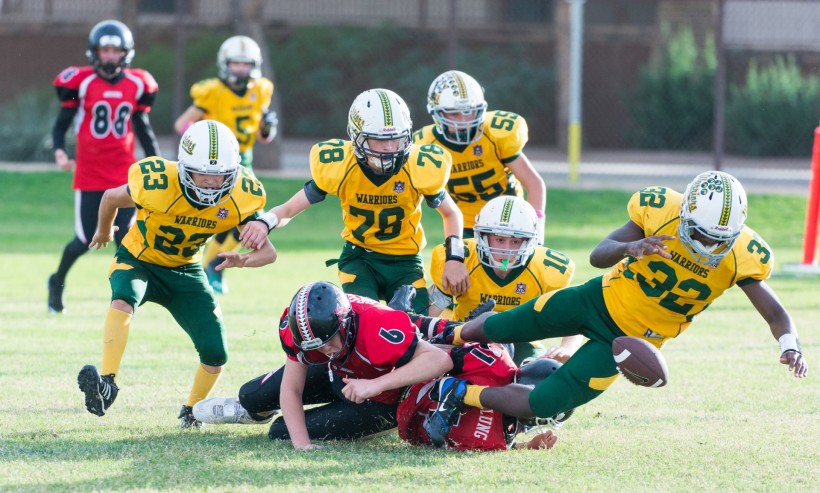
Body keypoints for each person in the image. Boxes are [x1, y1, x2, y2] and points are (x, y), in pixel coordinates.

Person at [422, 171, 809, 446]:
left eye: (719, 239)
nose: (708, 245)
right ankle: (437, 333)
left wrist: (789, 344)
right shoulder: (660, 210)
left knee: (545, 404)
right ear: (686, 212)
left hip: (627, 343)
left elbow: (775, 313)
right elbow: (597, 254)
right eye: (702, 233)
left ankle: (455, 390)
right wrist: (630, 247)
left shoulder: (744, 254)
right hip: (595, 301)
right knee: (504, 325)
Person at [76, 120, 277, 429]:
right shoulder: (158, 183)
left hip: (186, 270)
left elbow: (269, 253)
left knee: (216, 352)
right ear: (184, 168)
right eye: (203, 175)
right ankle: (107, 384)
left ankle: (192, 412)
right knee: (124, 299)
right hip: (139, 260)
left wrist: (243, 260)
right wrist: (103, 231)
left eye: (220, 176)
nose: (211, 184)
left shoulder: (240, 196)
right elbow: (110, 197)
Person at [240, 88, 469, 314]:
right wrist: (266, 222)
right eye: (379, 141)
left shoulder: (419, 166)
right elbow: (289, 208)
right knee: (363, 323)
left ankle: (438, 300)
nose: (389, 148)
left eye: (396, 139)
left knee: (415, 329)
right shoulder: (341, 166)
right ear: (357, 137)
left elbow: (452, 213)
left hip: (405, 262)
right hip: (360, 258)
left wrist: (455, 258)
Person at [192, 281, 453, 450]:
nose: (321, 349)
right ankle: (251, 412)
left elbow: (440, 360)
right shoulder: (308, 336)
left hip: (379, 401)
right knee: (250, 395)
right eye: (312, 346)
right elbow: (292, 387)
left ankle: (376, 429)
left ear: (344, 323)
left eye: (326, 341)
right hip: (338, 373)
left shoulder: (375, 324)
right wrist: (302, 444)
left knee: (280, 431)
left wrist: (375, 385)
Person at [48, 19, 160, 314]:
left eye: (115, 50)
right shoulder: (80, 83)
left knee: (125, 238)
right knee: (86, 239)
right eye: (104, 49)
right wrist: (60, 152)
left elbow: (143, 127)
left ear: (125, 53)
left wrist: (157, 164)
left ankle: (125, 297)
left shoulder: (137, 84)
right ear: (94, 52)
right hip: (90, 173)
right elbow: (60, 125)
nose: (109, 56)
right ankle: (56, 282)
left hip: (124, 172)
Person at [174, 35, 277, 295]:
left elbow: (263, 137)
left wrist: (268, 127)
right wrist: (199, 141)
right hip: (214, 165)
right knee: (232, 218)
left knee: (245, 219)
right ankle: (210, 265)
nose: (241, 69)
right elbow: (181, 124)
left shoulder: (260, 89)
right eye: (236, 63)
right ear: (225, 63)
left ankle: (213, 265)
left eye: (246, 64)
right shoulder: (212, 91)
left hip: (245, 163)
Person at [425, 195, 582, 365]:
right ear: (483, 235)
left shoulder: (545, 270)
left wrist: (566, 349)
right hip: (466, 337)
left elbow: (574, 317)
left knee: (543, 370)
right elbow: (426, 316)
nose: (506, 250)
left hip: (522, 344)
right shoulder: (462, 261)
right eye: (499, 239)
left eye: (515, 241)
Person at [413, 70, 546, 242]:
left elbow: (535, 184)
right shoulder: (425, 145)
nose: (463, 120)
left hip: (511, 222)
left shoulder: (495, 133)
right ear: (437, 113)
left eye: (469, 111)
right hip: (465, 227)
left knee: (509, 268)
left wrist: (535, 232)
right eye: (454, 113)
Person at [399, 345, 572, 451]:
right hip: (399, 418)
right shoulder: (498, 440)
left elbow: (438, 351)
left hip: (405, 376)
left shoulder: (499, 360)